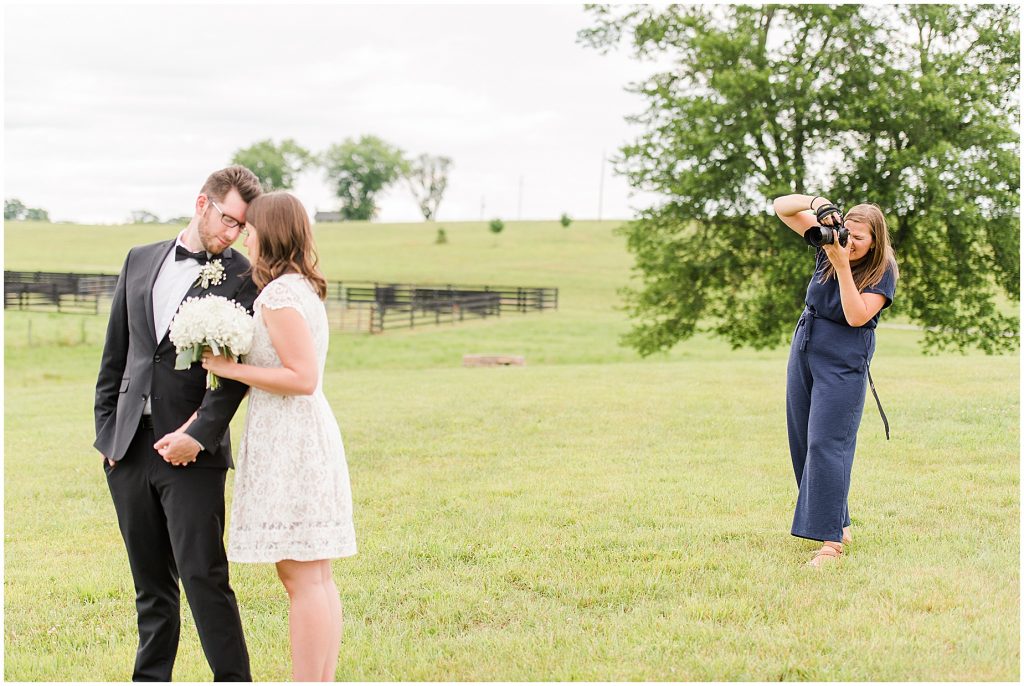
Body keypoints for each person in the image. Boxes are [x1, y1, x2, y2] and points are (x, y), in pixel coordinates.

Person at [93, 165, 263, 680]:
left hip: (191, 452)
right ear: (202, 203)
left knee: (204, 577)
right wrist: (107, 432)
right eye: (229, 220)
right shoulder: (140, 259)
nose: (233, 234)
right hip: (127, 449)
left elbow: (234, 376)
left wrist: (197, 434)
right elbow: (116, 352)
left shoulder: (242, 276)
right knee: (150, 586)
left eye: (242, 228)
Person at [201, 191, 357, 681]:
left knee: (300, 575)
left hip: (292, 438)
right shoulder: (300, 287)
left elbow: (302, 377)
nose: (245, 234)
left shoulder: (278, 295)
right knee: (314, 574)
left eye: (252, 227)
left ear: (270, 231)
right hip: (301, 432)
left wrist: (231, 368)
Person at [772, 194, 898, 567]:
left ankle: (831, 544)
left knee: (828, 443)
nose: (850, 242)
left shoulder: (882, 270)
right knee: (803, 442)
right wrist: (819, 203)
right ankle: (837, 523)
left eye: (860, 238)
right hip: (806, 345)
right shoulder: (829, 241)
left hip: (844, 359)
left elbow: (857, 316)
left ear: (875, 240)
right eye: (848, 233)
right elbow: (782, 207)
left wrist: (842, 265)